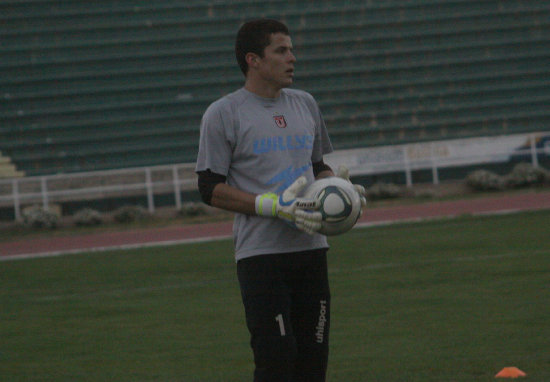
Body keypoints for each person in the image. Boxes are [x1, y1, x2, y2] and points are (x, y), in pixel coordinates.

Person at [195, 18, 364, 381]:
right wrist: (269, 205)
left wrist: (341, 192)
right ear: (254, 60)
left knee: (312, 364)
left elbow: (318, 166)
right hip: (262, 258)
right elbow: (209, 186)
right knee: (277, 362)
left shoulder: (305, 103)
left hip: (311, 251)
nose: (293, 58)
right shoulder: (223, 113)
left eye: (292, 50)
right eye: (282, 50)